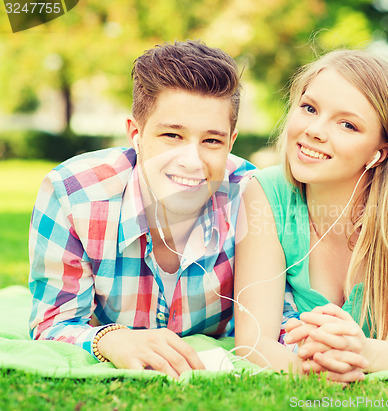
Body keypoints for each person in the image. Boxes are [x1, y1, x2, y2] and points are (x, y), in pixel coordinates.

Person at [29, 40, 255, 378]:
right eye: (172, 136)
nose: (192, 162)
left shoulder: (251, 195)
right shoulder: (72, 195)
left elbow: (276, 320)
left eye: (211, 141)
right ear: (136, 133)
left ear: (231, 142)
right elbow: (53, 323)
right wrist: (110, 340)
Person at [234, 49, 388, 383]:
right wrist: (312, 371)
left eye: (347, 124)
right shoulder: (265, 192)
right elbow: (253, 341)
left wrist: (362, 352)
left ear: (378, 152)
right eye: (309, 108)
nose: (315, 130)